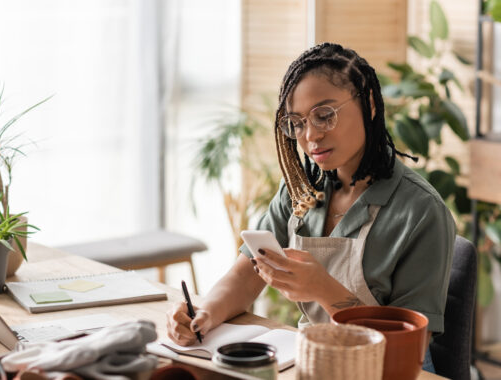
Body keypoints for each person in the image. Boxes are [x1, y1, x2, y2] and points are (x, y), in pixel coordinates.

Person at [166, 42, 455, 373]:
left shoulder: (421, 211)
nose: (310, 136)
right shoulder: (301, 189)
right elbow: (247, 274)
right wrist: (205, 313)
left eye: (324, 115)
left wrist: (323, 289)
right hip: (318, 360)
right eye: (297, 122)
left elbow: (405, 350)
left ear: (370, 104)